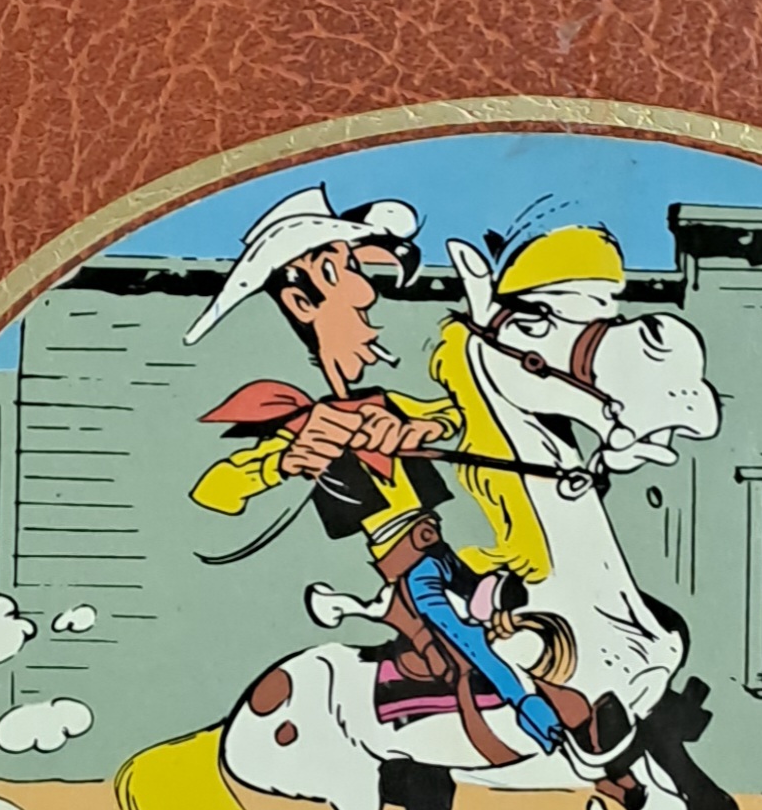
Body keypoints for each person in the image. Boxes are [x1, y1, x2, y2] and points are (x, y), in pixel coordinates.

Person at [182, 185, 568, 755]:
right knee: (461, 640)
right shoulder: (302, 425)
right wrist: (284, 461)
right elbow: (215, 491)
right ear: (301, 302)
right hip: (408, 569)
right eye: (342, 273)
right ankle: (528, 711)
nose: (367, 292)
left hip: (446, 553)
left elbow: (456, 415)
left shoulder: (386, 402)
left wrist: (421, 428)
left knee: (525, 601)